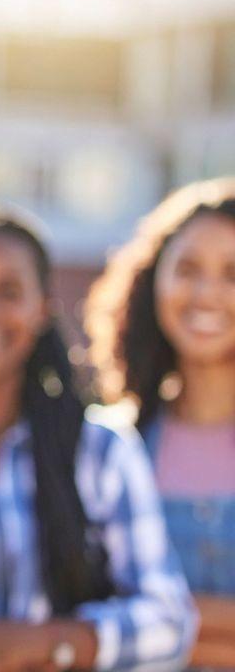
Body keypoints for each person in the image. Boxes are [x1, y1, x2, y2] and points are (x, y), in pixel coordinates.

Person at [0, 198, 195, 672]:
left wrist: (42, 644)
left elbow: (169, 621)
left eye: (9, 291)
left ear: (42, 309)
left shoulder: (98, 451)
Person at [86, 178, 235, 670]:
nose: (207, 293)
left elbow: (114, 629)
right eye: (187, 270)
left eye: (233, 274)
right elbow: (84, 613)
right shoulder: (107, 445)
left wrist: (158, 625)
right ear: (153, 282)